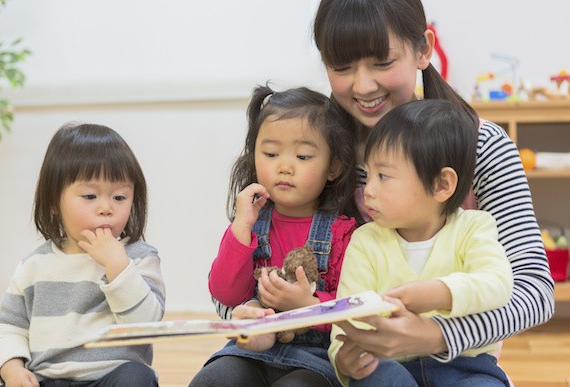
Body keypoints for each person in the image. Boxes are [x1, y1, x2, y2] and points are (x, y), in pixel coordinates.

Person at [312, 0, 553, 374]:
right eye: (341, 67)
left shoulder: (480, 146)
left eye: (382, 62)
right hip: (339, 358)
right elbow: (255, 261)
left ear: (423, 50)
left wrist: (434, 334)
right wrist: (243, 312)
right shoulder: (313, 152)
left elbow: (534, 292)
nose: (362, 85)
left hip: (458, 362)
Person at [330, 99, 514, 386]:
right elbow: (346, 318)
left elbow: (498, 283)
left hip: (466, 365)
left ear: (441, 185)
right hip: (389, 366)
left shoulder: (474, 228)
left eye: (384, 176)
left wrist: (439, 293)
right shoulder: (365, 240)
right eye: (368, 174)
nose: (369, 190)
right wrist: (342, 359)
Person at [189, 84, 361, 387]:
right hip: (251, 353)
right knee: (213, 380)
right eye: (270, 153)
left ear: (333, 167)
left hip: (316, 359)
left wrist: (308, 304)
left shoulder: (343, 232)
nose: (284, 166)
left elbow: (353, 307)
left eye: (304, 156)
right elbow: (225, 293)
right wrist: (240, 228)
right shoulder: (250, 223)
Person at [0, 123, 166, 387]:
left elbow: (145, 326)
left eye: (119, 197)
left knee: (138, 377)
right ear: (53, 202)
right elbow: (8, 327)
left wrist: (117, 265)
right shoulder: (34, 266)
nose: (106, 207)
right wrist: (12, 369)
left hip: (112, 376)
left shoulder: (139, 258)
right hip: (47, 378)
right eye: (90, 195)